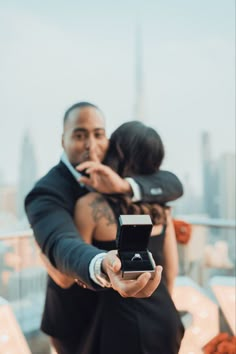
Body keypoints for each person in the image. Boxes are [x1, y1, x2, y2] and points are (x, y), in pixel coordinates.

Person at [25, 102, 183, 353]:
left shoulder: (121, 186)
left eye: (98, 134)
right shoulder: (47, 191)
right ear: (62, 139)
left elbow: (173, 183)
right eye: (79, 135)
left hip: (117, 321)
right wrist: (102, 262)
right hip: (76, 320)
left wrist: (123, 186)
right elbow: (63, 244)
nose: (91, 144)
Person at [71, 121, 184, 354]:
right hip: (164, 317)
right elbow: (171, 272)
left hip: (119, 326)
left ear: (116, 155)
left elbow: (77, 270)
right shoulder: (161, 209)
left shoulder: (89, 206)